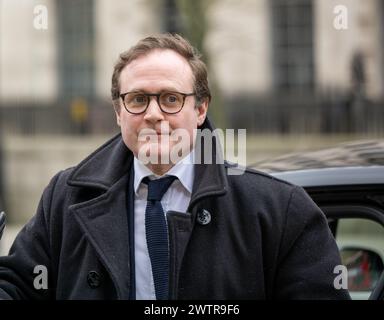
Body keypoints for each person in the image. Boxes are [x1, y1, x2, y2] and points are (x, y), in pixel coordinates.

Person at [0, 34, 350, 300]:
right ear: (119, 112)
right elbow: (17, 285)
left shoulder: (279, 209)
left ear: (200, 110)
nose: (153, 114)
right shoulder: (66, 198)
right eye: (137, 99)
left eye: (171, 99)